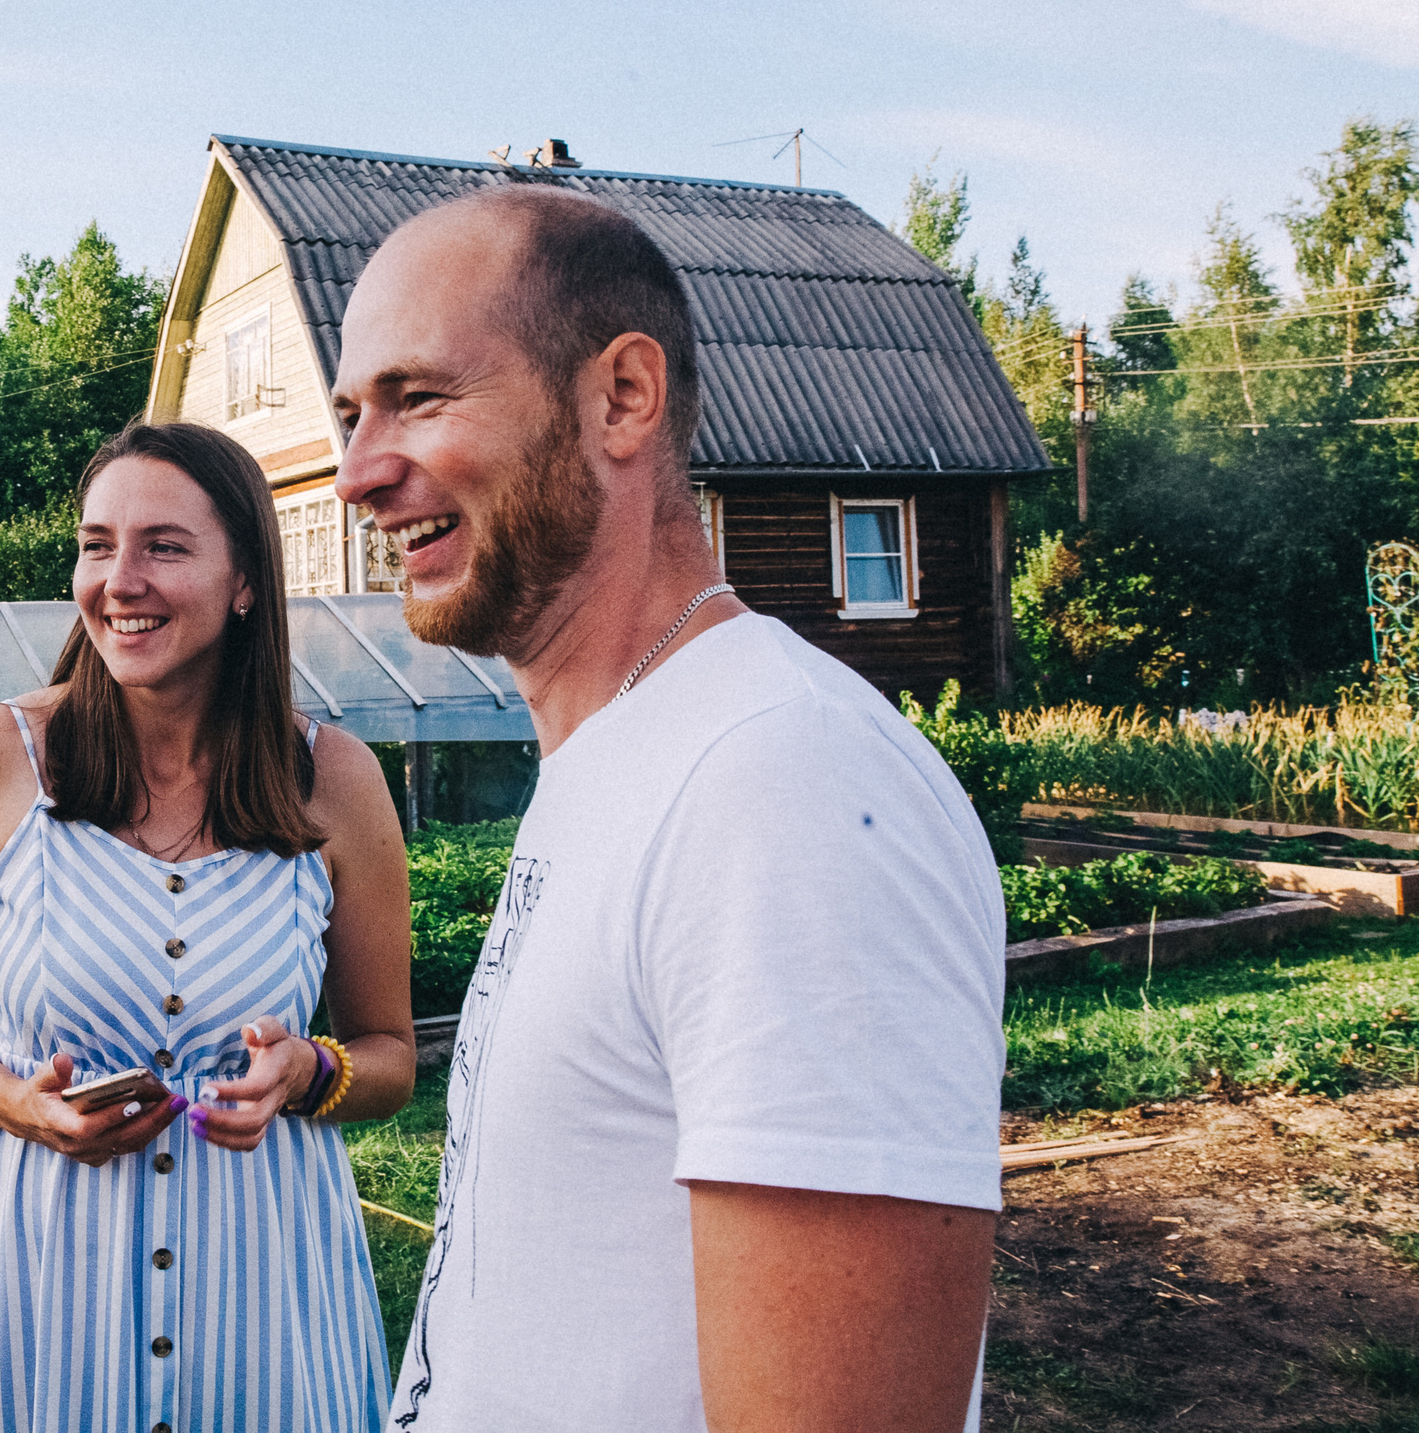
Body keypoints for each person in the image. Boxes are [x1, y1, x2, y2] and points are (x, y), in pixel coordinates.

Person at [331, 187, 1003, 1432]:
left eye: (417, 398)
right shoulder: (623, 753)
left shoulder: (782, 785)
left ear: (622, 397)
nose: (357, 473)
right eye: (348, 416)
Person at [0, 420, 416, 1433]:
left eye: (164, 546)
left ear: (243, 582)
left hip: (263, 1290)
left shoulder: (336, 781)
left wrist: (306, 1072)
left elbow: (389, 1054)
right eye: (97, 545)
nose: (120, 581)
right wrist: (19, 1103)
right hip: (46, 1278)